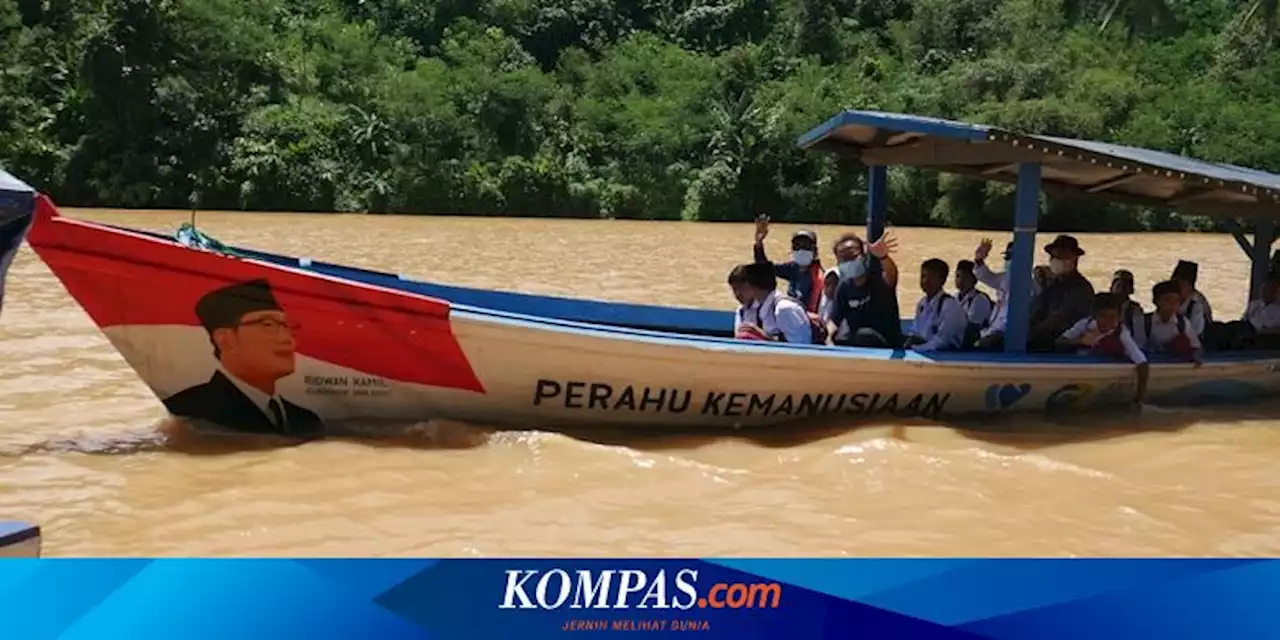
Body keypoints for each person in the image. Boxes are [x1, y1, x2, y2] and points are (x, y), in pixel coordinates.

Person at [164, 279, 324, 437]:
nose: (289, 341)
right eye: (268, 325)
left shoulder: (306, 419)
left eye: (286, 326)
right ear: (226, 339)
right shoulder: (188, 410)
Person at [1056, 293, 1149, 406]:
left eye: (1112, 317)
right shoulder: (1085, 324)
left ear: (1119, 317)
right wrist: (1079, 341)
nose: (1107, 321)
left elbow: (1142, 363)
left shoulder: (1121, 333)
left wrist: (1139, 399)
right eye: (1103, 316)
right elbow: (1059, 342)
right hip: (1081, 366)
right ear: (1095, 315)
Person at [826, 232, 902, 348]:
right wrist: (828, 336)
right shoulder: (844, 286)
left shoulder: (878, 278)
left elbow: (892, 276)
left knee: (865, 334)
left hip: (886, 343)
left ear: (863, 256)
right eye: (843, 259)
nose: (849, 262)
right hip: (858, 343)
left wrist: (883, 257)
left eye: (852, 256)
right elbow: (834, 319)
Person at [728, 262, 823, 345]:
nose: (738, 294)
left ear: (753, 286)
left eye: (743, 288)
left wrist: (761, 336)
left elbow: (802, 347)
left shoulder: (784, 308)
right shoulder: (749, 309)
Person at [1029, 235, 1096, 351]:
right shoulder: (1053, 284)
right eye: (1053, 256)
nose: (1055, 260)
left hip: (1065, 344)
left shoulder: (1081, 288)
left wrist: (1030, 333)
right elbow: (1037, 308)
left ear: (1074, 258)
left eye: (1061, 256)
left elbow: (1058, 319)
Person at [972, 239, 1041, 350]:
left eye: (1010, 256)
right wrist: (979, 259)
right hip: (991, 331)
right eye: (1007, 257)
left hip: (1005, 337)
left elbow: (1015, 317)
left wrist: (995, 334)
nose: (1008, 260)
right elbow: (985, 276)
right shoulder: (1006, 278)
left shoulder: (1030, 285)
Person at [752, 215, 824, 313]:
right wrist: (759, 242)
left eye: (806, 246)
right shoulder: (792, 268)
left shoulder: (820, 277)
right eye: (797, 246)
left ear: (815, 251)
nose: (801, 250)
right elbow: (765, 269)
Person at [904, 259, 968, 352]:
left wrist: (916, 349)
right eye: (923, 276)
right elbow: (916, 333)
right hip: (925, 349)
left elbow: (942, 342)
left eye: (931, 278)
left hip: (948, 355)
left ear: (942, 280)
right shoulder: (921, 304)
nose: (925, 281)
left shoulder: (950, 306)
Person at [1143, 280, 1202, 365]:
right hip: (1151, 364)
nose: (1172, 305)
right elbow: (1138, 346)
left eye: (1176, 301)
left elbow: (1196, 346)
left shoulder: (1182, 323)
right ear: (1156, 301)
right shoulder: (1146, 322)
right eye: (1167, 300)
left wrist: (1195, 356)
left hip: (1175, 365)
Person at [954, 259, 993, 347]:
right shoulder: (954, 298)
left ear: (974, 280)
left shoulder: (980, 299)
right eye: (958, 276)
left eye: (965, 278)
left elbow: (972, 327)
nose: (960, 280)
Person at [1171, 260, 1213, 338]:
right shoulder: (1170, 297)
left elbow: (1196, 333)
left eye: (1181, 285)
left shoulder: (1197, 303)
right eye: (1174, 283)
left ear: (1190, 287)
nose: (1176, 288)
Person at [1242, 274, 1280, 349]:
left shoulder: (1278, 309)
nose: (1264, 292)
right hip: (1249, 334)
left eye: (1268, 289)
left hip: (1268, 338)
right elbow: (1244, 319)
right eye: (1263, 289)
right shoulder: (1253, 305)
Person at [1110, 270, 1146, 344]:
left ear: (1131, 289)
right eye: (1118, 285)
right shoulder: (1104, 305)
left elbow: (1139, 337)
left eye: (1125, 285)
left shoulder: (1134, 309)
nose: (1121, 289)